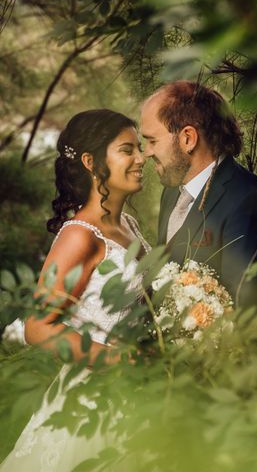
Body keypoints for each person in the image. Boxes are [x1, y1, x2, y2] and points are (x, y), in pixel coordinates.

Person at [0, 109, 151, 471]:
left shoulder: (127, 222)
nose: (141, 159)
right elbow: (39, 327)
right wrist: (116, 361)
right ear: (91, 162)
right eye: (127, 150)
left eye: (140, 148)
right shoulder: (79, 235)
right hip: (93, 398)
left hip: (139, 390)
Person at [140, 80, 257, 308]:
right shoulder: (171, 193)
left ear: (188, 138)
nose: (146, 153)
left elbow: (247, 307)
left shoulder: (249, 199)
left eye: (152, 141)